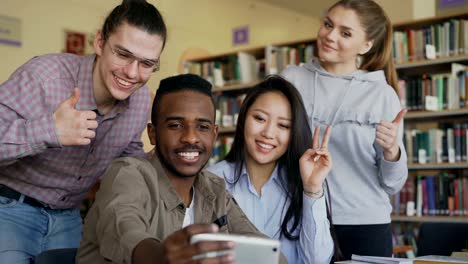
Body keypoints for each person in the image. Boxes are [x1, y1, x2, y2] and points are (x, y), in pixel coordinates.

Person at [0, 0, 166, 261]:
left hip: (70, 217)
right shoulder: (45, 77)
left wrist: (164, 157)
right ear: (99, 43)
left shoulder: (141, 100)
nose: (132, 73)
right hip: (9, 208)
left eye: (146, 63)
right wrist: (50, 131)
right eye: (123, 54)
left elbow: (127, 153)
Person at [76, 74, 287, 264]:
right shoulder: (128, 174)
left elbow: (267, 251)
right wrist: (161, 257)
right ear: (152, 133)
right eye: (176, 125)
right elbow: (125, 231)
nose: (190, 137)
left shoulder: (214, 188)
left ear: (214, 135)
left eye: (202, 127)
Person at [281, 0, 408, 259]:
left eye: (345, 33)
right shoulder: (291, 79)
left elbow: (392, 183)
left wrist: (392, 152)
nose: (329, 35)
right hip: (299, 215)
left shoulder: (382, 94)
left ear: (366, 45)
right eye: (328, 24)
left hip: (365, 225)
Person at [207, 76, 335, 263]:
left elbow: (317, 260)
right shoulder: (212, 180)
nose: (268, 133)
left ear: (293, 133)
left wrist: (312, 189)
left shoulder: (302, 183)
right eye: (260, 118)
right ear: (243, 118)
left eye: (283, 125)